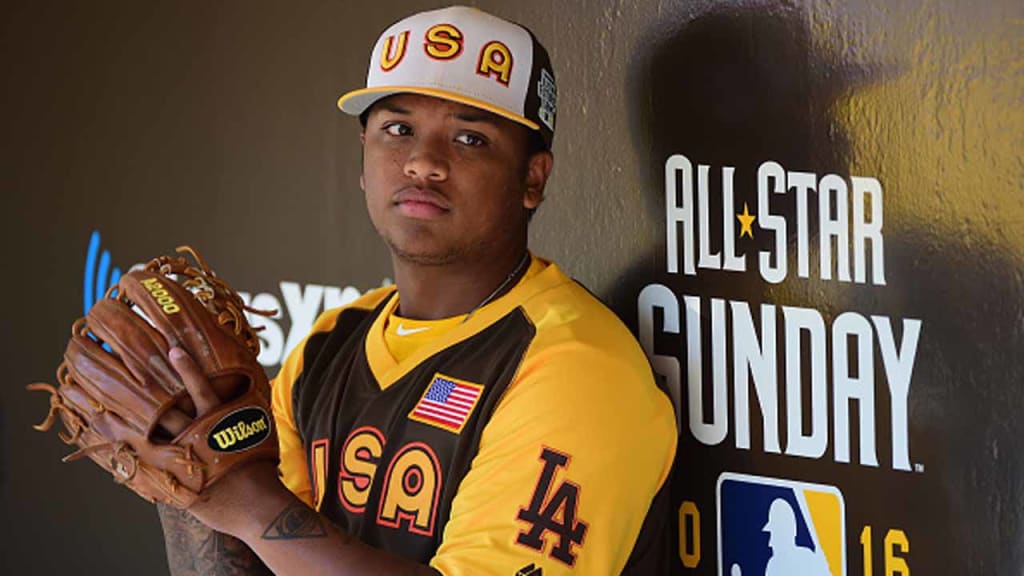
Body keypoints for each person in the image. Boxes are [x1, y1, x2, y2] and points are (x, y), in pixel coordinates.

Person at [157, 6, 676, 575]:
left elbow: (257, 518)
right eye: (398, 130)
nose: (423, 163)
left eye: (470, 138)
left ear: (532, 178)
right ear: (362, 158)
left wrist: (246, 503)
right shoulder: (329, 342)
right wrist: (184, 475)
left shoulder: (574, 366)